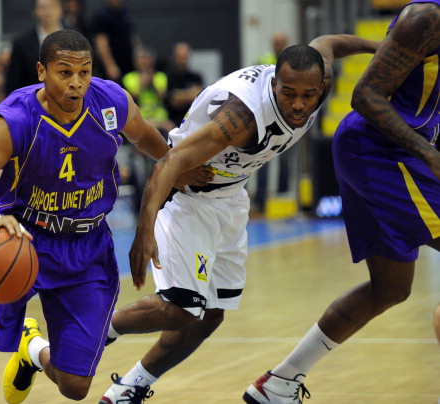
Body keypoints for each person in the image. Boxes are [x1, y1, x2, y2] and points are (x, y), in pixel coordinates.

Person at [0, 29, 211, 404]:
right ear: (42, 71)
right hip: (24, 239)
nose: (76, 83)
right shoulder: (14, 120)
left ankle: (32, 347)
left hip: (88, 247)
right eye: (65, 72)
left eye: (84, 72)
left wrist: (175, 168)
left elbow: (144, 136)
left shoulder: (111, 102)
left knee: (74, 388)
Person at [97, 33, 378, 404]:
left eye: (307, 95)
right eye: (288, 93)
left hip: (230, 198)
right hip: (187, 197)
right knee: (180, 308)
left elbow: (328, 42)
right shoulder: (243, 117)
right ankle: (91, 331)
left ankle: (126, 388)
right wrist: (144, 230)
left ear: (322, 85)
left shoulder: (316, 77)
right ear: (274, 84)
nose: (297, 104)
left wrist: (384, 48)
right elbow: (172, 161)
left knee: (211, 315)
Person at [243, 2, 440, 403]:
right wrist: (428, 151)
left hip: (402, 151)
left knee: (389, 289)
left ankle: (279, 383)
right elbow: (364, 95)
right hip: (380, 151)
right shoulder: (425, 20)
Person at [253, 31, 289, 216]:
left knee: (284, 162)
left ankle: (282, 198)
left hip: (286, 120)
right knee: (261, 160)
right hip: (266, 118)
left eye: (281, 43)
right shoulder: (264, 60)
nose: (278, 47)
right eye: (276, 43)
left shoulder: (292, 63)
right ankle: (260, 201)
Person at [5, 0, 64, 94]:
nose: (48, 11)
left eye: (52, 6)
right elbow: (14, 82)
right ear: (35, 11)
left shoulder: (77, 38)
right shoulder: (22, 43)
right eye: (43, 7)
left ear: (61, 9)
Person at [89, 0, 139, 83]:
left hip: (127, 62)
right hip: (114, 64)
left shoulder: (125, 12)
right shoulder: (101, 15)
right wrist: (110, 65)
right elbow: (101, 41)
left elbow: (131, 36)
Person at [165, 41, 203, 127]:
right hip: (173, 121)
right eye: (180, 57)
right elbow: (173, 100)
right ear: (175, 57)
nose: (183, 60)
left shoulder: (196, 77)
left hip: (193, 121)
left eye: (185, 57)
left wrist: (180, 95)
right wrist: (190, 94)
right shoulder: (168, 77)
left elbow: (200, 97)